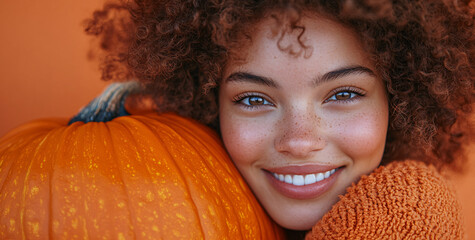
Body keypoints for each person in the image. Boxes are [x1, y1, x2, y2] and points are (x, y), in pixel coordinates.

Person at [82, 0, 474, 238]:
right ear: (207, 103)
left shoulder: (406, 210)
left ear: (400, 98)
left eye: (343, 94)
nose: (299, 140)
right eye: (254, 99)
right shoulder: (181, 205)